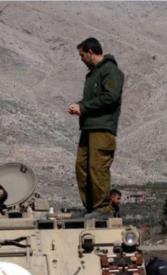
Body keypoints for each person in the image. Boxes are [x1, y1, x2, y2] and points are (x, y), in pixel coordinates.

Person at [68, 37, 124, 215]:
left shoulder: (111, 71)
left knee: (97, 168)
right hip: (88, 128)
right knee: (82, 167)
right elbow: (94, 99)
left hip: (102, 128)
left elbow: (110, 97)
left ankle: (102, 208)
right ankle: (91, 207)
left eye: (82, 55)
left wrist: (83, 107)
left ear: (91, 52)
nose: (81, 59)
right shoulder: (93, 74)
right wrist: (79, 106)